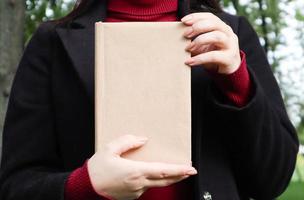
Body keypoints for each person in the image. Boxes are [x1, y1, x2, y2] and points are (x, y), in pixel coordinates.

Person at [0, 0, 299, 200]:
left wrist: (237, 80)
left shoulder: (230, 35)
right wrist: (84, 185)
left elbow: (272, 179)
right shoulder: (51, 43)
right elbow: (16, 186)